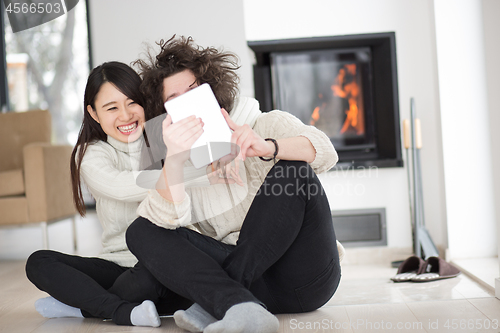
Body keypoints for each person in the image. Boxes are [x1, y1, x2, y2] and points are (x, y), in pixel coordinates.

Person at [127, 36, 343, 333]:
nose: (188, 104)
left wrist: (266, 147)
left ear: (212, 91)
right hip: (252, 290)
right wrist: (175, 161)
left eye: (194, 91)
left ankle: (216, 306)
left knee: (294, 172)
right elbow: (167, 223)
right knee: (142, 229)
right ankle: (237, 306)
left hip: (305, 277)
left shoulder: (265, 125)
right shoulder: (176, 163)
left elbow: (326, 152)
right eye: (175, 100)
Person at [25, 61, 192, 327]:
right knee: (38, 262)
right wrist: (174, 170)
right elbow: (123, 185)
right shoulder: (91, 153)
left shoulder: (164, 137)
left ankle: (86, 308)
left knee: (150, 277)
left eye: (132, 102)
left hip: (160, 263)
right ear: (93, 113)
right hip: (115, 264)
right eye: (111, 108)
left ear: (144, 101)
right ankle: (121, 310)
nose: (125, 116)